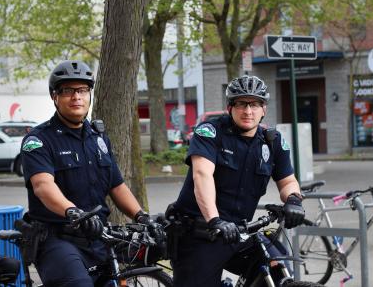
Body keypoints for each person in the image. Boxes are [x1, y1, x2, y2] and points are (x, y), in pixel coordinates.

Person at [20, 60, 157, 287]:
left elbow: (117, 186)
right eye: (68, 91)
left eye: (82, 90)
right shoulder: (39, 140)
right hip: (57, 239)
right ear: (55, 97)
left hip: (97, 236)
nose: (76, 97)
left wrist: (142, 216)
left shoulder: (99, 138)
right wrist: (71, 211)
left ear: (89, 94)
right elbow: (43, 186)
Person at [170, 75, 305, 287]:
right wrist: (214, 220)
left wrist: (294, 200)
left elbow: (288, 181)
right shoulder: (210, 132)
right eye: (241, 103)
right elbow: (202, 176)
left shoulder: (273, 142)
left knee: (279, 266)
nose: (248, 111)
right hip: (201, 234)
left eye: (254, 104)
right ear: (230, 107)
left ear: (264, 109)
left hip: (240, 233)